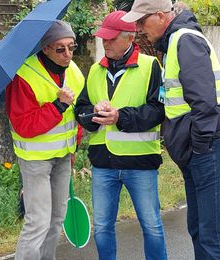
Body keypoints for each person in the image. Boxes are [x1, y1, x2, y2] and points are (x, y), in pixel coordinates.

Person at [122, 1, 220, 259]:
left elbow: (204, 102)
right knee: (199, 229)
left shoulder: (184, 40)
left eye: (143, 21)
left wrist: (198, 148)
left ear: (162, 15)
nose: (139, 28)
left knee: (212, 236)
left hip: (210, 148)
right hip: (202, 150)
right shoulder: (174, 43)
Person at [75, 10, 167, 260]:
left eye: (111, 38)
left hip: (140, 163)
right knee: (103, 227)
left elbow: (158, 111)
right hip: (103, 163)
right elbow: (80, 110)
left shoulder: (150, 66)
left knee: (151, 226)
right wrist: (92, 112)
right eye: (103, 38)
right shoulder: (95, 70)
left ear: (129, 37)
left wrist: (120, 117)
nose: (105, 43)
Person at [5, 20, 84, 260]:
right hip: (35, 160)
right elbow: (24, 125)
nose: (68, 54)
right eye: (60, 49)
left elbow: (76, 116)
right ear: (46, 48)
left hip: (63, 156)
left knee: (57, 218)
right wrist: (58, 106)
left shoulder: (75, 72)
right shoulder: (24, 76)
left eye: (72, 47)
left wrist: (74, 147)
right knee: (37, 222)